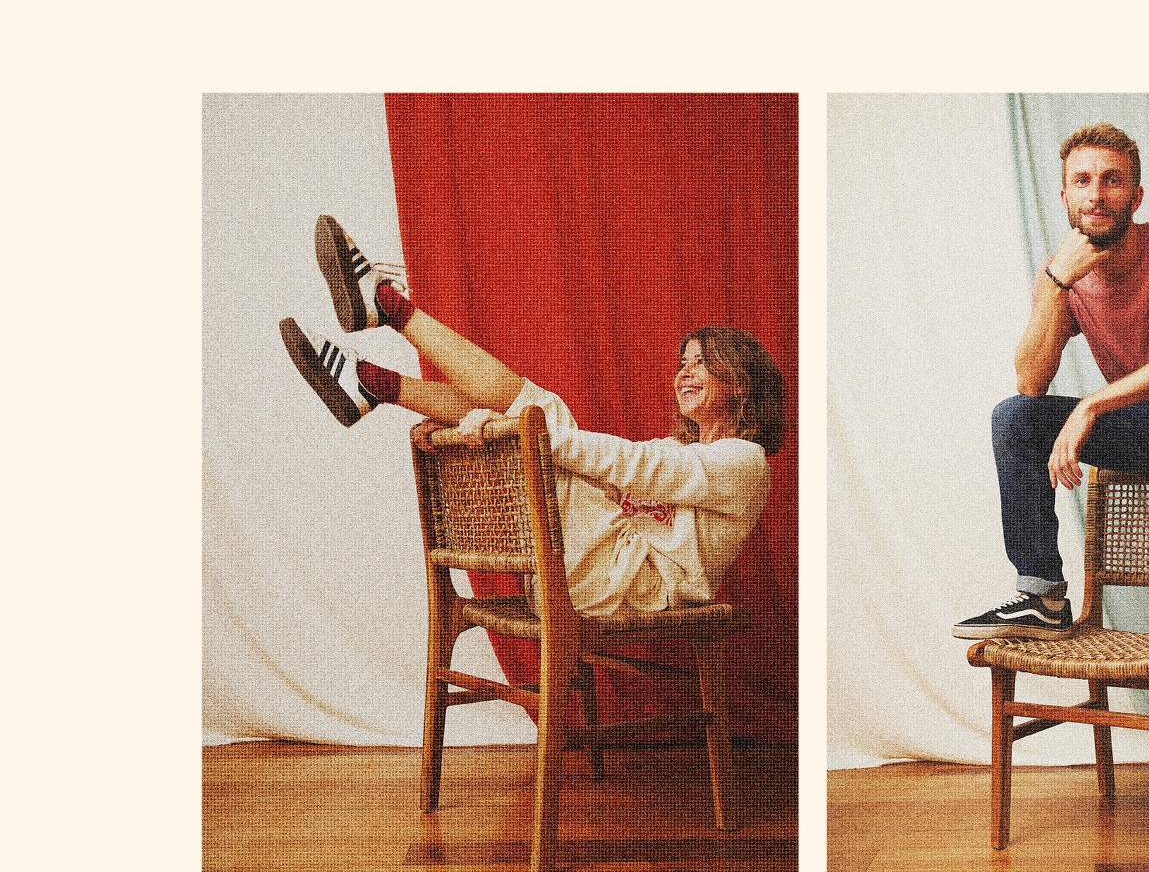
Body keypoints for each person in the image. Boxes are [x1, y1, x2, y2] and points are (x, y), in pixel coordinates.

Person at [280, 213, 783, 618]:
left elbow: (632, 465)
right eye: (683, 363)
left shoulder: (744, 461)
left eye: (703, 363)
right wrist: (514, 426)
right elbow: (618, 472)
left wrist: (526, 430)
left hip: (622, 587)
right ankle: (376, 375)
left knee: (544, 415)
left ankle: (386, 322)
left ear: (740, 382)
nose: (685, 373)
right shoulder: (681, 450)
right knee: (543, 417)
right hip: (577, 576)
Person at [952, 122, 1149, 666]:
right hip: (1148, 429)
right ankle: (1043, 597)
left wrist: (1092, 405)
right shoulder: (1062, 273)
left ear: (1136, 197)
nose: (1096, 194)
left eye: (1112, 180)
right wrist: (1056, 283)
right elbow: (1030, 383)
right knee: (1014, 417)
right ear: (1064, 196)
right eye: (1082, 181)